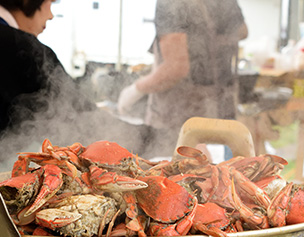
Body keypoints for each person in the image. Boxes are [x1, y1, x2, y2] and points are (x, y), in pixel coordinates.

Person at [0, 0, 148, 165]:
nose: (51, 15)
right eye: (50, 2)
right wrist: (149, 137)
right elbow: (79, 114)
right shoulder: (25, 49)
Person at [118, 0, 248, 158]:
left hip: (181, 119)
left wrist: (135, 90)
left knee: (184, 176)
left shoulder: (170, 3)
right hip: (223, 112)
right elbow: (242, 31)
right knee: (226, 176)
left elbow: (175, 68)